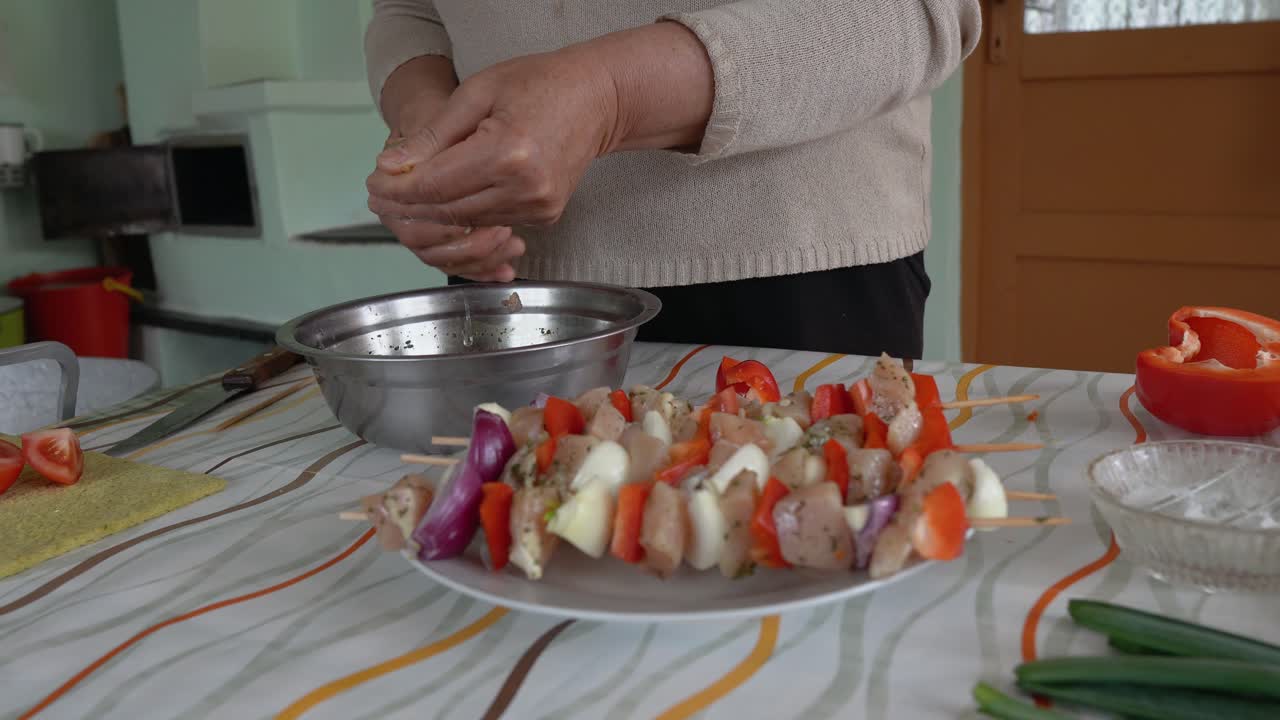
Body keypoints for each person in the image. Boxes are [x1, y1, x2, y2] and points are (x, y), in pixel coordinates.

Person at [363, 1, 980, 358]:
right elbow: (409, 11)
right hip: (508, 282)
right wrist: (427, 135)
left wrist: (612, 96)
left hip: (802, 273)